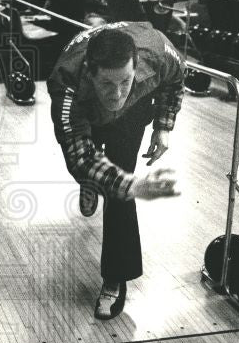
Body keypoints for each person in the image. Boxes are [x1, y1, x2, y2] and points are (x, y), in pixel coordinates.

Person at [47, 23, 184, 320]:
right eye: (107, 84)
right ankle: (90, 182)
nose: (117, 93)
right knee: (91, 168)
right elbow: (79, 154)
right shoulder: (66, 84)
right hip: (88, 114)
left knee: (119, 189)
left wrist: (163, 126)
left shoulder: (158, 54)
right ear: (89, 72)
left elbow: (176, 80)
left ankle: (115, 278)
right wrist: (130, 185)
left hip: (133, 113)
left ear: (137, 66)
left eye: (125, 81)